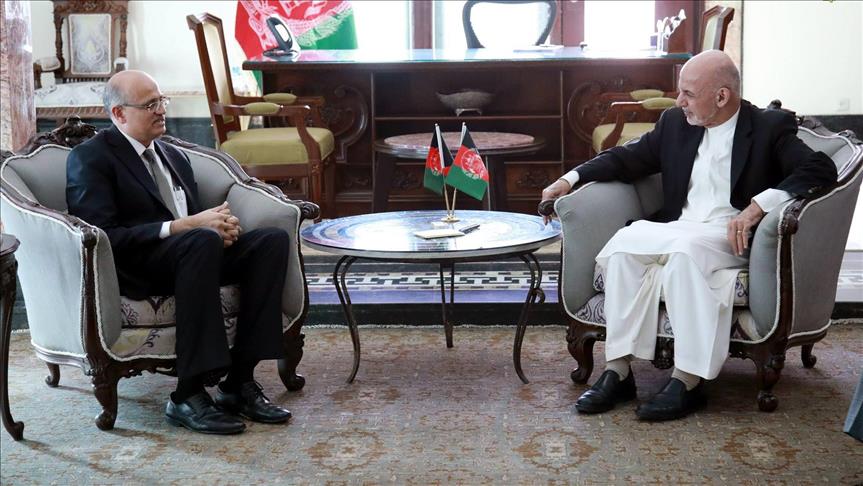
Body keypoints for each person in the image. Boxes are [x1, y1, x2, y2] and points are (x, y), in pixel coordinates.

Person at [541, 50, 837, 421]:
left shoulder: (768, 127)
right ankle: (618, 371)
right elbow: (626, 158)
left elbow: (820, 168)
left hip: (728, 234)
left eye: (689, 93)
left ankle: (688, 380)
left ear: (722, 96)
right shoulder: (675, 122)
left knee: (684, 254)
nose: (679, 101)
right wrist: (570, 179)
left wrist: (758, 207)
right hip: (680, 228)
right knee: (623, 247)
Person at [66, 70, 293, 434]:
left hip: (193, 256)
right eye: (150, 105)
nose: (161, 110)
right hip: (137, 266)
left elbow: (194, 223)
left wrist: (221, 226)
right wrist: (186, 227)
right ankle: (187, 394)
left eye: (162, 101)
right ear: (119, 113)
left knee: (270, 242)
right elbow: (103, 235)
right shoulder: (91, 158)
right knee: (200, 241)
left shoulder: (173, 155)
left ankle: (238, 383)